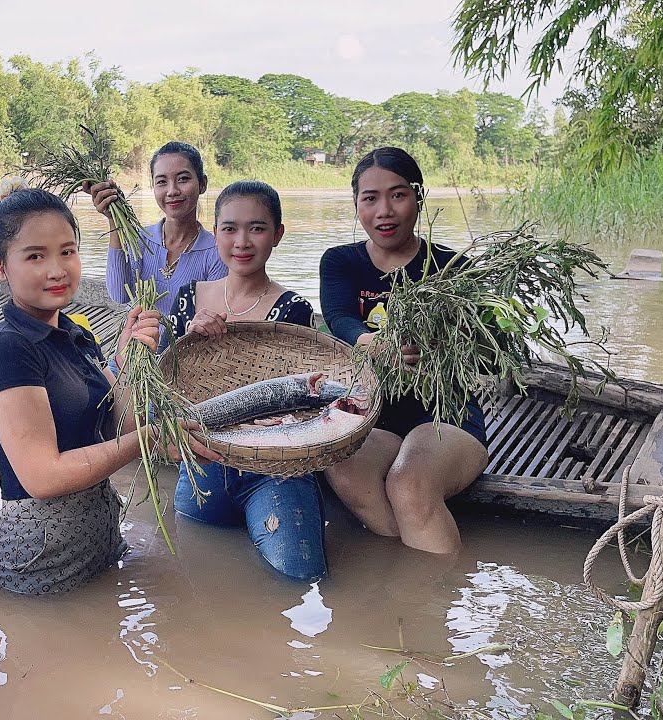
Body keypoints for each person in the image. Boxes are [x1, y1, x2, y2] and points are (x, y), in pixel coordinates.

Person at [0, 183, 218, 595]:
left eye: (67, 251)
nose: (57, 269)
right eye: (35, 256)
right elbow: (42, 477)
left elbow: (118, 428)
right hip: (40, 563)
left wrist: (128, 360)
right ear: (0, 267)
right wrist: (151, 438)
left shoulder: (76, 335)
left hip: (100, 544)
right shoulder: (7, 350)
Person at [319, 147, 489, 555]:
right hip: (376, 418)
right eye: (370, 198)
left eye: (397, 195)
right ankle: (404, 583)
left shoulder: (451, 267)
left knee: (409, 483)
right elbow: (339, 316)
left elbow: (486, 352)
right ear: (356, 204)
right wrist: (374, 343)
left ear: (419, 198)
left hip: (445, 418)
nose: (384, 211)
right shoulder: (341, 262)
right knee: (343, 468)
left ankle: (433, 608)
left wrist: (444, 343)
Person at [168, 180, 326, 581]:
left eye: (256, 228)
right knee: (188, 570)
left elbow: (293, 404)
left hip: (275, 471)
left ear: (277, 234)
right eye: (229, 228)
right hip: (203, 465)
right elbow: (163, 387)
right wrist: (186, 338)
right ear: (215, 232)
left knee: (300, 577)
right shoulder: (189, 297)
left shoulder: (294, 309)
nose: (242, 241)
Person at [84, 141, 227, 315]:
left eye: (183, 179)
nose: (172, 191)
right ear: (153, 187)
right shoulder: (140, 239)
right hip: (137, 338)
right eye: (161, 182)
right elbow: (119, 295)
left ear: (202, 184)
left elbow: (211, 319)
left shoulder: (217, 251)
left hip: (188, 342)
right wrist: (114, 219)